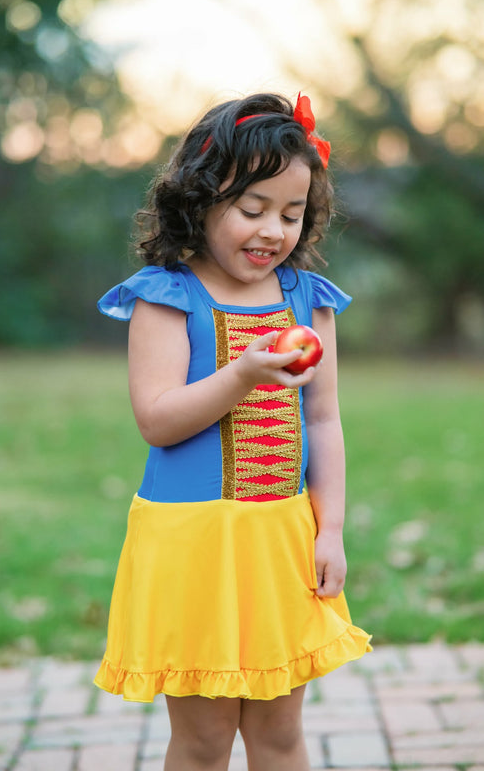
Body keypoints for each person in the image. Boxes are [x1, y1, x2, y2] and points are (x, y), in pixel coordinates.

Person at [94, 91, 372, 771]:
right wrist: (241, 374)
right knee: (202, 739)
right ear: (199, 199)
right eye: (252, 209)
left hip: (279, 538)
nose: (272, 229)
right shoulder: (166, 296)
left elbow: (323, 419)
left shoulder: (308, 300)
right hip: (192, 543)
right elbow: (157, 421)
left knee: (278, 736)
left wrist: (327, 526)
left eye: (290, 212)